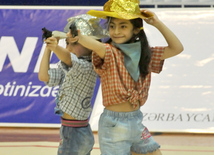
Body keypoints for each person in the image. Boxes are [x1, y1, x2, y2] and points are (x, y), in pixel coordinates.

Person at [64, 0, 183, 154]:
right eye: (112, 26)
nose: (116, 31)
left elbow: (177, 48)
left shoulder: (146, 54)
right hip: (114, 125)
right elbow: (94, 44)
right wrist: (78, 36)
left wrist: (157, 23)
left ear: (136, 30)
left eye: (123, 26)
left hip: (136, 121)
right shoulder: (109, 52)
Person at [38, 14, 108, 155]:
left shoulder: (87, 66)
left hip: (75, 131)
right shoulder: (68, 65)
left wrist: (55, 47)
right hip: (71, 129)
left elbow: (68, 57)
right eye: (67, 43)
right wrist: (48, 49)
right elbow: (43, 76)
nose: (68, 47)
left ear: (90, 45)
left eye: (74, 43)